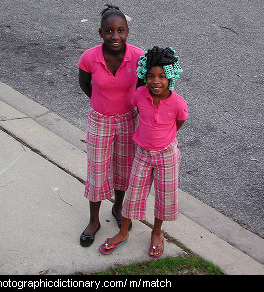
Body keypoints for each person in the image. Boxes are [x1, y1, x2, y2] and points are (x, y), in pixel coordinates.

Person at [99, 46, 189, 257]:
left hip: (167, 156)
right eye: (150, 76)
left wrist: (164, 137)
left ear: (171, 77)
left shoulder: (178, 103)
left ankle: (156, 232)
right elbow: (137, 109)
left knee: (164, 196)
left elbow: (180, 121)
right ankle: (123, 232)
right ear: (144, 76)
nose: (155, 81)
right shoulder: (140, 94)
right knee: (133, 194)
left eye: (162, 76)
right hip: (142, 154)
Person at [78, 4, 144, 247]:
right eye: (109, 31)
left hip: (128, 120)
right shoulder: (89, 57)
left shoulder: (139, 57)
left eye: (120, 31)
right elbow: (85, 85)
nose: (114, 37)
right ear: (100, 33)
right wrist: (102, 104)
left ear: (127, 32)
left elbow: (143, 89)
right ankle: (94, 220)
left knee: (124, 169)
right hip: (100, 120)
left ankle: (118, 207)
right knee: (97, 171)